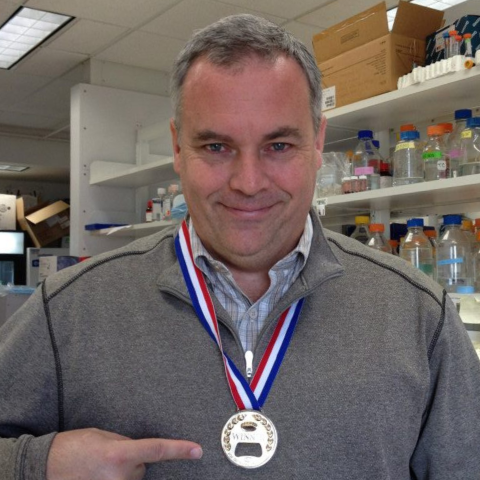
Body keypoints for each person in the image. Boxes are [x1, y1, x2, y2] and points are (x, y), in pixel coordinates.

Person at [1, 13, 480, 480]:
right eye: (216, 147)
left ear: (317, 141)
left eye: (278, 146)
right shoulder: (67, 311)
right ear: (177, 146)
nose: (248, 183)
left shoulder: (419, 315)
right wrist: (34, 466)